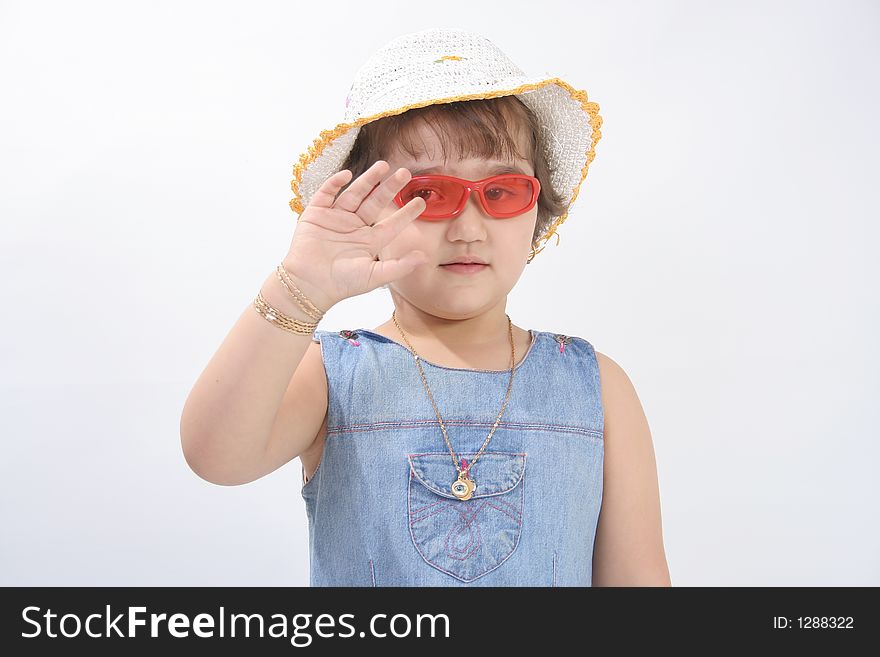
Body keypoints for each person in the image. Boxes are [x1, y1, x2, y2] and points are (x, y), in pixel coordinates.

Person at [180, 27, 671, 587]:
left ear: (537, 210)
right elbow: (214, 456)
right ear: (365, 210)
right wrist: (299, 286)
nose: (467, 229)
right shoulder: (333, 377)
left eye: (501, 191)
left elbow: (639, 581)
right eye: (428, 195)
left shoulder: (597, 387)